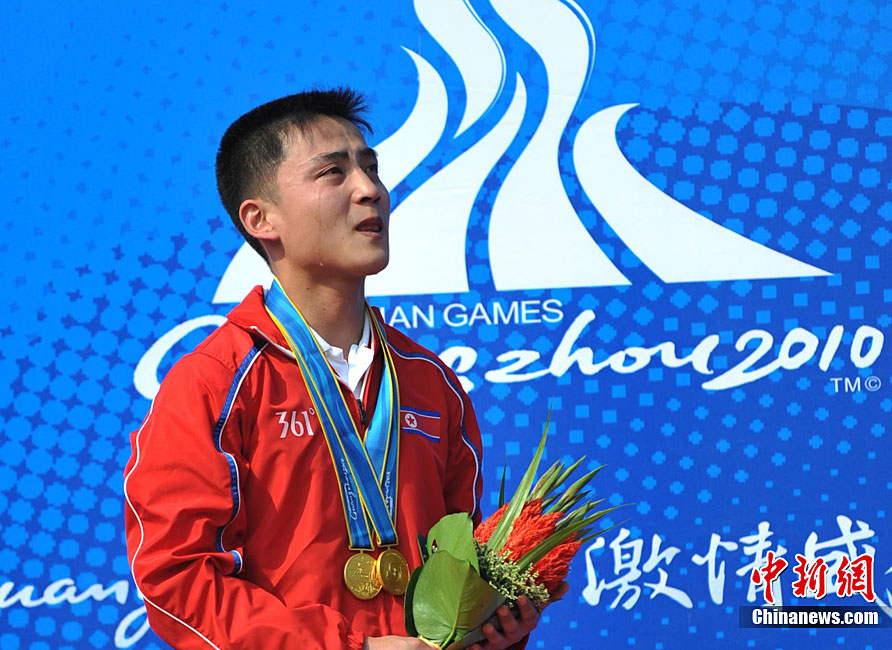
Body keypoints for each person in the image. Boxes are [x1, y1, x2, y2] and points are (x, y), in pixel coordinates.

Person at [123, 88, 564, 650]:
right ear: (261, 219)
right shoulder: (216, 382)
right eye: (333, 173)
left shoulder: (431, 381)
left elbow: (462, 566)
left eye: (370, 168)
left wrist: (494, 629)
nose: (369, 190)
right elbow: (177, 579)